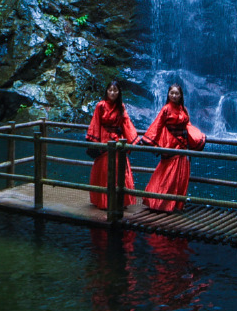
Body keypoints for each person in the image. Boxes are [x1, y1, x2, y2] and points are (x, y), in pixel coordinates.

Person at [141, 82, 207, 213]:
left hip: (183, 144)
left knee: (180, 175)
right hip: (171, 144)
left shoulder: (184, 109)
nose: (174, 95)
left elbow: (188, 125)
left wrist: (196, 137)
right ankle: (160, 202)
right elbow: (157, 124)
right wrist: (148, 139)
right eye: (172, 93)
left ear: (181, 95)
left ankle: (175, 204)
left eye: (177, 93)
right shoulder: (166, 109)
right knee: (168, 174)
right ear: (168, 94)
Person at [84, 79, 140, 210]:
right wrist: (95, 141)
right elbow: (96, 122)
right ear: (107, 91)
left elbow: (126, 122)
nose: (113, 93)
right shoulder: (100, 105)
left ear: (119, 92)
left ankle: (120, 201)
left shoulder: (121, 107)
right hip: (104, 139)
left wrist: (134, 139)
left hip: (118, 141)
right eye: (110, 90)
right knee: (104, 170)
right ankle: (104, 201)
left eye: (115, 90)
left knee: (120, 169)